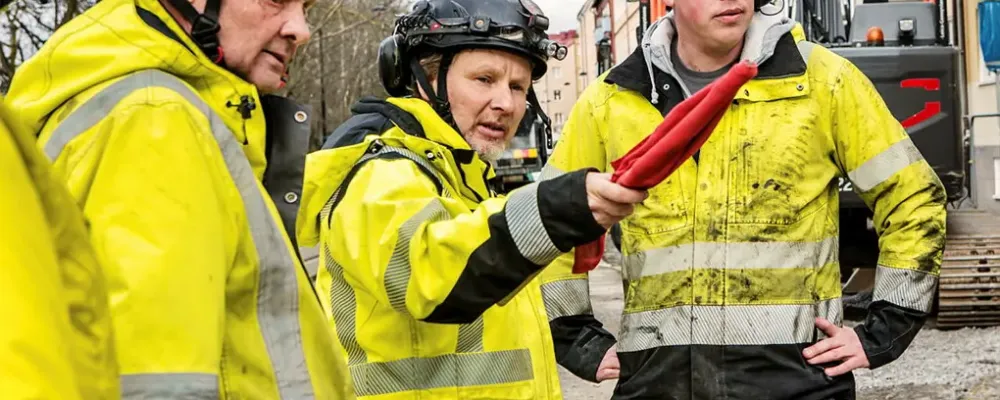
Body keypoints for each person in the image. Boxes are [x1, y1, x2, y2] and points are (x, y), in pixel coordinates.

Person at [540, 0, 947, 399]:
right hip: (657, 384)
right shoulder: (612, 101)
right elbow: (552, 218)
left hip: (798, 383)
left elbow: (913, 197)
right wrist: (579, 341)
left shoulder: (824, 82)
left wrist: (883, 329)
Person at [294, 0, 647, 398]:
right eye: (484, 79)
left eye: (518, 87)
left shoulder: (468, 182)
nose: (507, 104)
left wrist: (572, 337)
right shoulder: (381, 176)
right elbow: (431, 270)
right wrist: (554, 210)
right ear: (425, 76)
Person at [4, 0, 354, 397]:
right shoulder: (153, 118)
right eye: (275, 0)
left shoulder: (159, 108)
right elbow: (156, 383)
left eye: (304, 7)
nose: (301, 29)